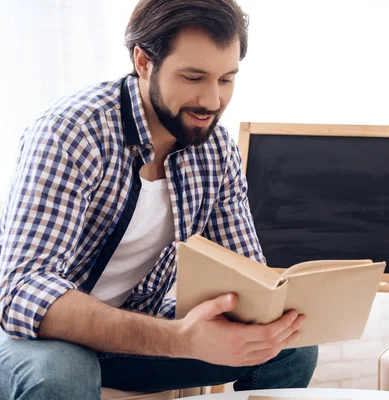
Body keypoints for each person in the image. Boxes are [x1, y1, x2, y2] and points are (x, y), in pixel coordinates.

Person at [0, 0, 317, 398]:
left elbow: (247, 277)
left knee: (290, 346)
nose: (212, 102)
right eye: (193, 77)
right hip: (29, 338)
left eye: (225, 80)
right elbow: (21, 293)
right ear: (144, 62)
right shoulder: (72, 134)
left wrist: (273, 312)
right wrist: (179, 338)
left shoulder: (215, 149)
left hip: (132, 329)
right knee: (63, 371)